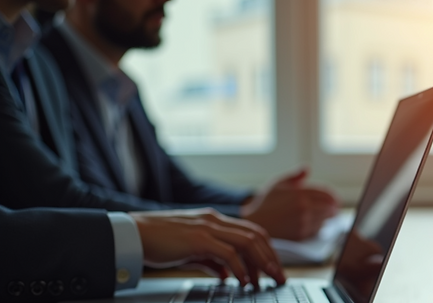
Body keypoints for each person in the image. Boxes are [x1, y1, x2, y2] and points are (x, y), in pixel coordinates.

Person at [39, 0, 339, 241]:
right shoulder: (43, 71)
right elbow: (88, 208)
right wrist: (245, 220)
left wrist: (258, 203)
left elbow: (176, 185)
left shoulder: (120, 87)